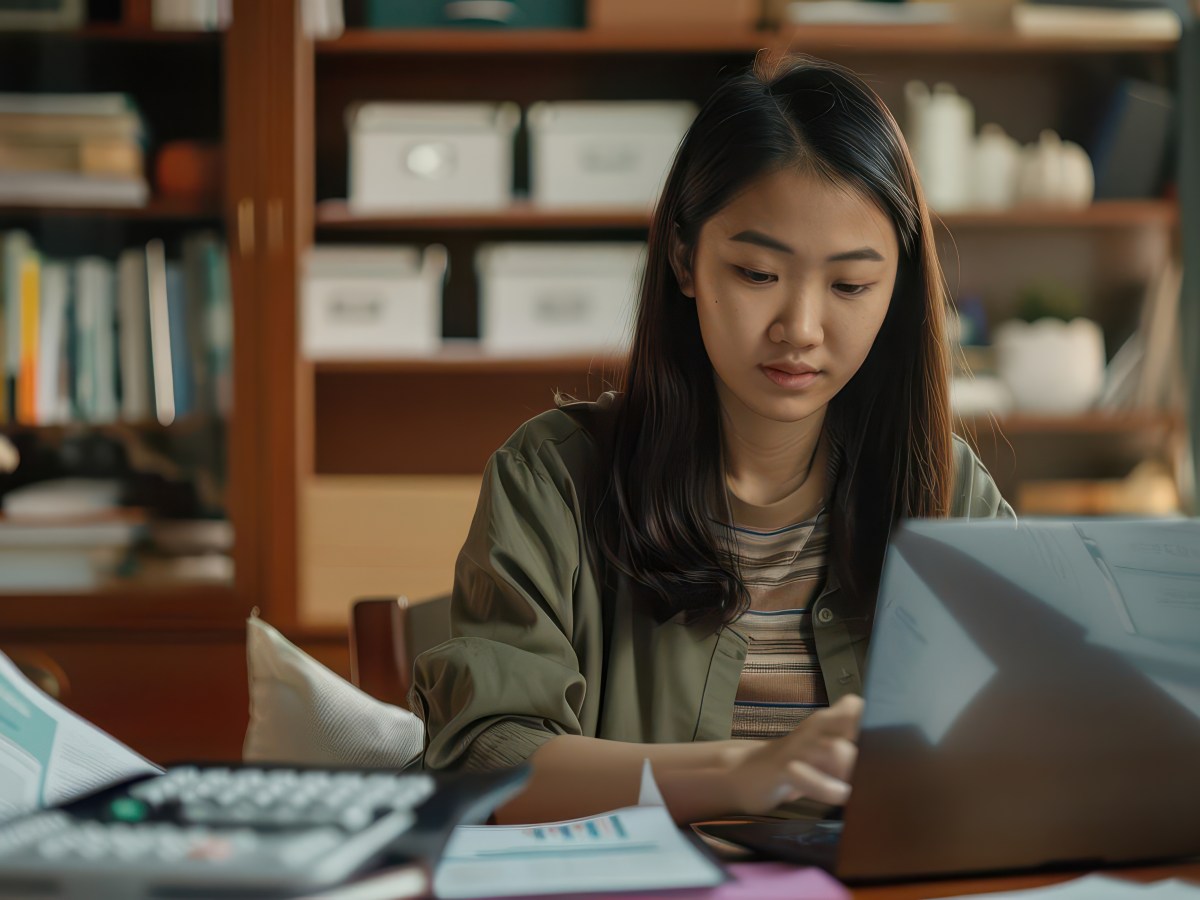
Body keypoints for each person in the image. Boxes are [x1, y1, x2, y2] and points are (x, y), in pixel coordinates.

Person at [411, 54, 1015, 826]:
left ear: (897, 292)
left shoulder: (946, 493)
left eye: (850, 286)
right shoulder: (554, 479)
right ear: (685, 259)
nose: (799, 328)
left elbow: (1033, 734)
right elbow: (484, 757)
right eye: (758, 273)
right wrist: (739, 772)